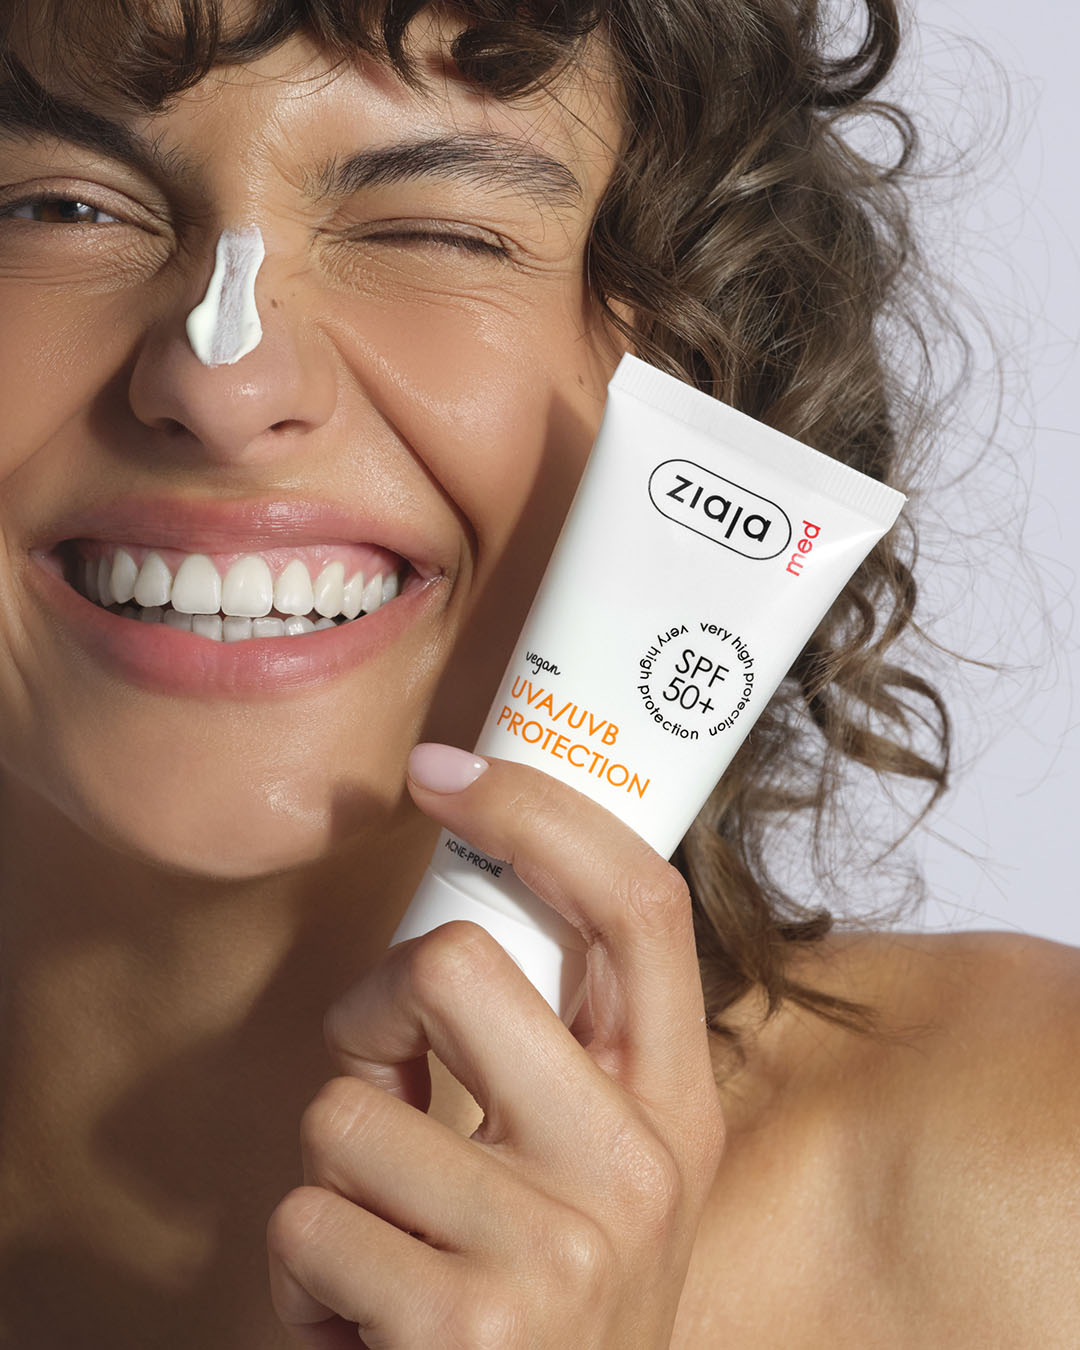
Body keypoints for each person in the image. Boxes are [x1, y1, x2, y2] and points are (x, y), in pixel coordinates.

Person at [0, 0, 1076, 1345]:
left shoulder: (1029, 1195)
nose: (225, 382)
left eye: (435, 230)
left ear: (689, 358)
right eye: (59, 210)